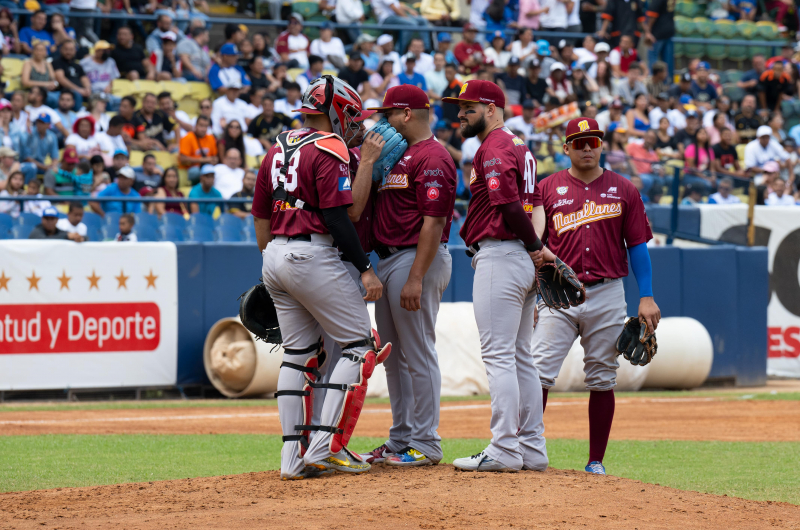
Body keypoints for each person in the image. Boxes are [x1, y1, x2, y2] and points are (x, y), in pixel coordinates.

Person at [251, 76, 386, 479]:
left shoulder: (277, 147)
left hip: (274, 251)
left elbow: (259, 213)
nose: (354, 124)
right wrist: (364, 269)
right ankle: (324, 447)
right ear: (338, 113)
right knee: (360, 346)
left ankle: (291, 460)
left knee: (297, 354)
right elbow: (337, 218)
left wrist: (275, 260)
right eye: (352, 116)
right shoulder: (330, 147)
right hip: (312, 251)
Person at [531, 116, 659, 476]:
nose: (587, 147)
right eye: (579, 141)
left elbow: (637, 246)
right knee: (539, 370)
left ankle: (595, 461)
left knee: (603, 375)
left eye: (593, 141)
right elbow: (534, 247)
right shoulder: (546, 188)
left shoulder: (624, 189)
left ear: (601, 146)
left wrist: (646, 295)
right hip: (558, 292)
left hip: (607, 292)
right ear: (566, 147)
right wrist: (532, 295)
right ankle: (527, 448)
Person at [438, 79, 550, 473]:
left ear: (491, 108)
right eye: (459, 107)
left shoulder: (495, 146)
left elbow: (507, 203)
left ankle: (504, 447)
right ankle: (532, 449)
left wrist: (536, 247)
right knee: (521, 357)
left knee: (500, 355)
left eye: (468, 107)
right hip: (518, 255)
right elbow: (533, 202)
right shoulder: (519, 144)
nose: (460, 114)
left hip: (503, 253)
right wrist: (535, 250)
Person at [357, 84, 456, 468]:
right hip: (390, 259)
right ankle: (401, 438)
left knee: (418, 352)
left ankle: (427, 442)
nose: (382, 122)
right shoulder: (400, 153)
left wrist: (416, 276)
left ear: (407, 114)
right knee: (395, 357)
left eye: (388, 114)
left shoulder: (433, 156)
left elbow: (434, 222)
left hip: (417, 258)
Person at [52, 39, 92, 111]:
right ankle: (79, 116)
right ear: (61, 50)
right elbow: (61, 79)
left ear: (75, 51)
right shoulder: (57, 62)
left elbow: (84, 79)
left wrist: (87, 89)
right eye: (66, 49)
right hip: (65, 91)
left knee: (99, 98)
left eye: (71, 49)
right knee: (76, 95)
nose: (68, 52)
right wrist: (79, 90)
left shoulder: (77, 65)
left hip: (80, 91)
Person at [21, 114, 60, 185]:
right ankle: (26, 190)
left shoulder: (52, 136)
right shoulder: (30, 134)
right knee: (32, 168)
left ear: (48, 125)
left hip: (41, 165)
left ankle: (48, 193)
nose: (39, 125)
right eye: (38, 122)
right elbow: (26, 157)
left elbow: (55, 157)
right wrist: (44, 167)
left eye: (42, 123)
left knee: (55, 170)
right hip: (27, 164)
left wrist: (53, 166)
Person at [80, 41, 121, 109]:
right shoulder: (85, 62)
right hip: (93, 93)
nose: (107, 52)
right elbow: (80, 75)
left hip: (107, 94)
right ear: (97, 51)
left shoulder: (111, 61)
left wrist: (110, 86)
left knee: (123, 102)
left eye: (108, 50)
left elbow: (112, 78)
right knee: (106, 102)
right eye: (104, 50)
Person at [179, 115, 218, 184]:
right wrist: (202, 160)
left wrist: (214, 160)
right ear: (195, 126)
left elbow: (214, 157)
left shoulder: (211, 138)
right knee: (200, 172)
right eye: (201, 125)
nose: (203, 129)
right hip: (191, 169)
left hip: (207, 167)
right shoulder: (188, 137)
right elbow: (182, 159)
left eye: (206, 126)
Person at [21, 41, 58, 108]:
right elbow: (25, 82)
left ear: (46, 52)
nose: (39, 52)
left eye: (42, 50)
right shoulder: (28, 63)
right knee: (53, 99)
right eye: (37, 50)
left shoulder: (47, 63)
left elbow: (53, 80)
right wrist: (46, 84)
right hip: (33, 92)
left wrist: (53, 85)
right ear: (33, 51)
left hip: (47, 91)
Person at [644, 0, 675, 78]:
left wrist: (648, 32)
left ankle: (653, 82)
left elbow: (652, 15)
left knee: (653, 57)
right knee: (667, 61)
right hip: (669, 31)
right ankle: (667, 83)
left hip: (657, 33)